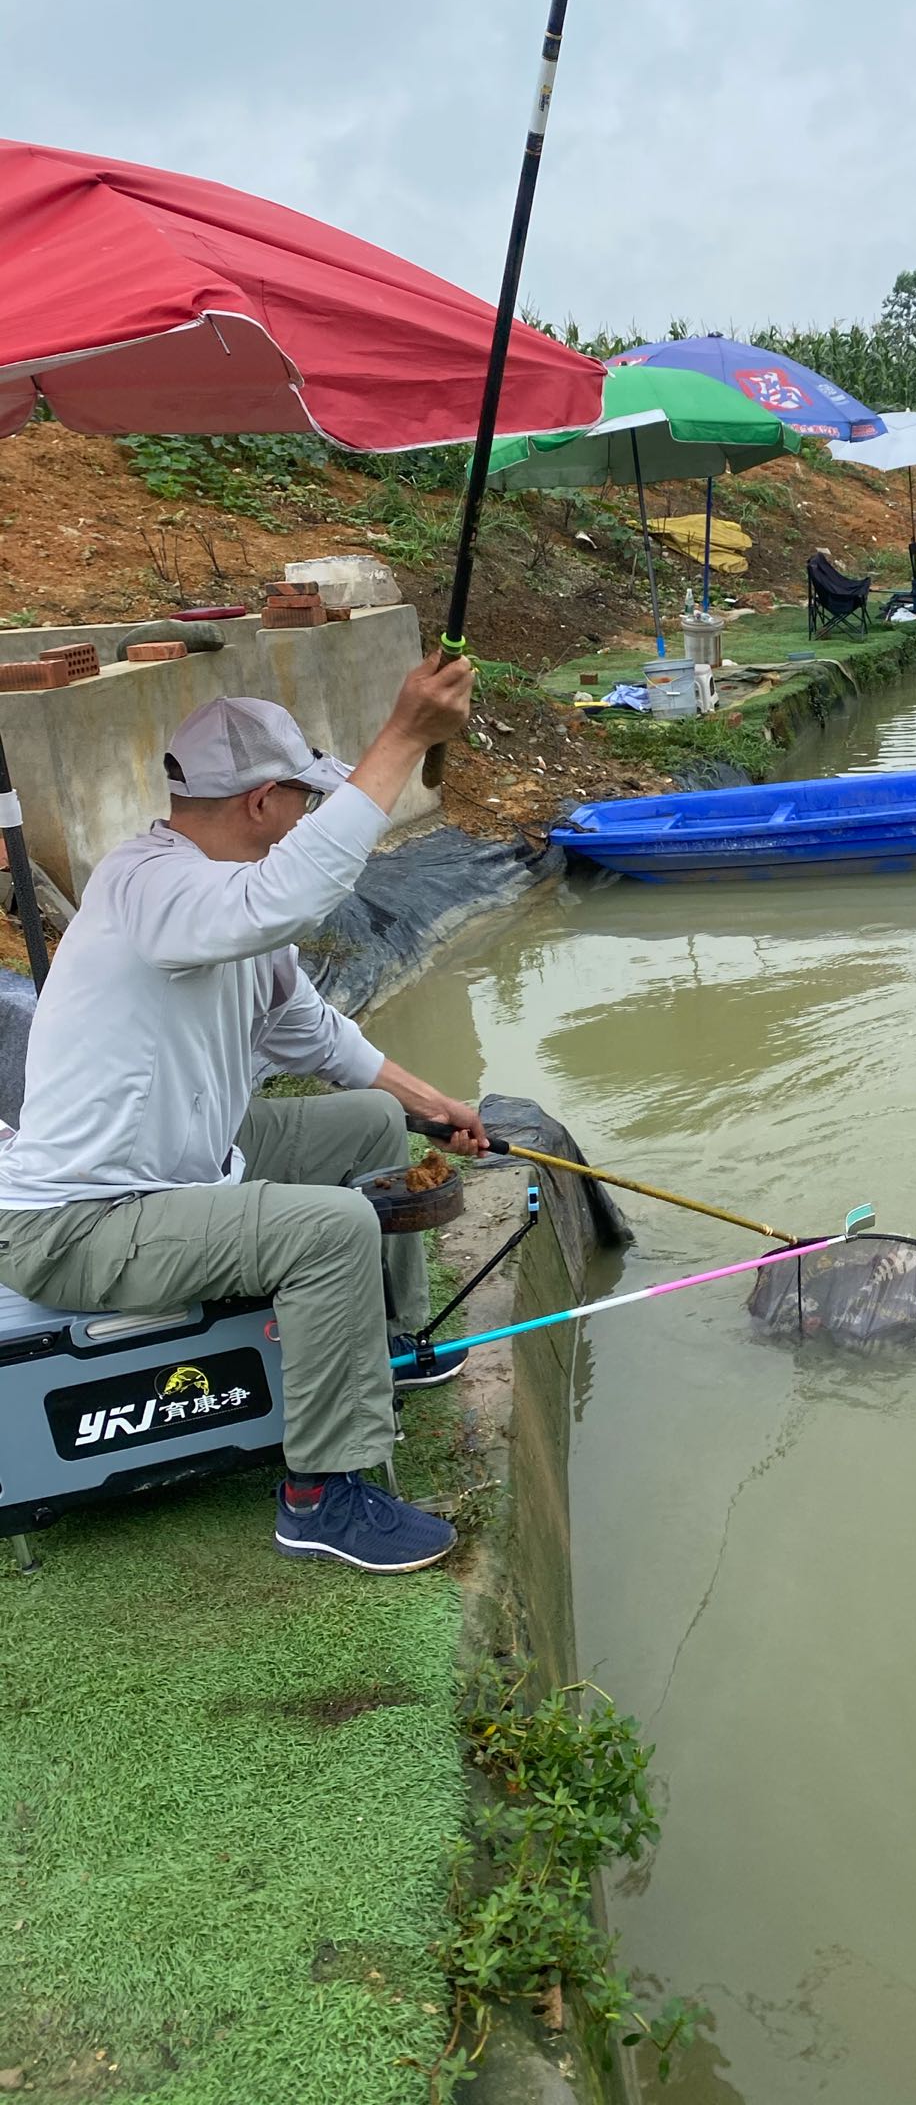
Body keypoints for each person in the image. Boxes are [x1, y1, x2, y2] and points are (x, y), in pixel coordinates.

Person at [0, 659, 489, 1575]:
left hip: (178, 1163)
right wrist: (404, 737)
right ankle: (321, 1493)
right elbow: (284, 894)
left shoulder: (230, 910)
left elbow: (319, 1037)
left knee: (370, 1126)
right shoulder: (152, 887)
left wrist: (435, 1108)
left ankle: (384, 1346)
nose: (306, 817)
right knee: (334, 1228)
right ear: (263, 802)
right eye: (302, 801)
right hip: (76, 1225)